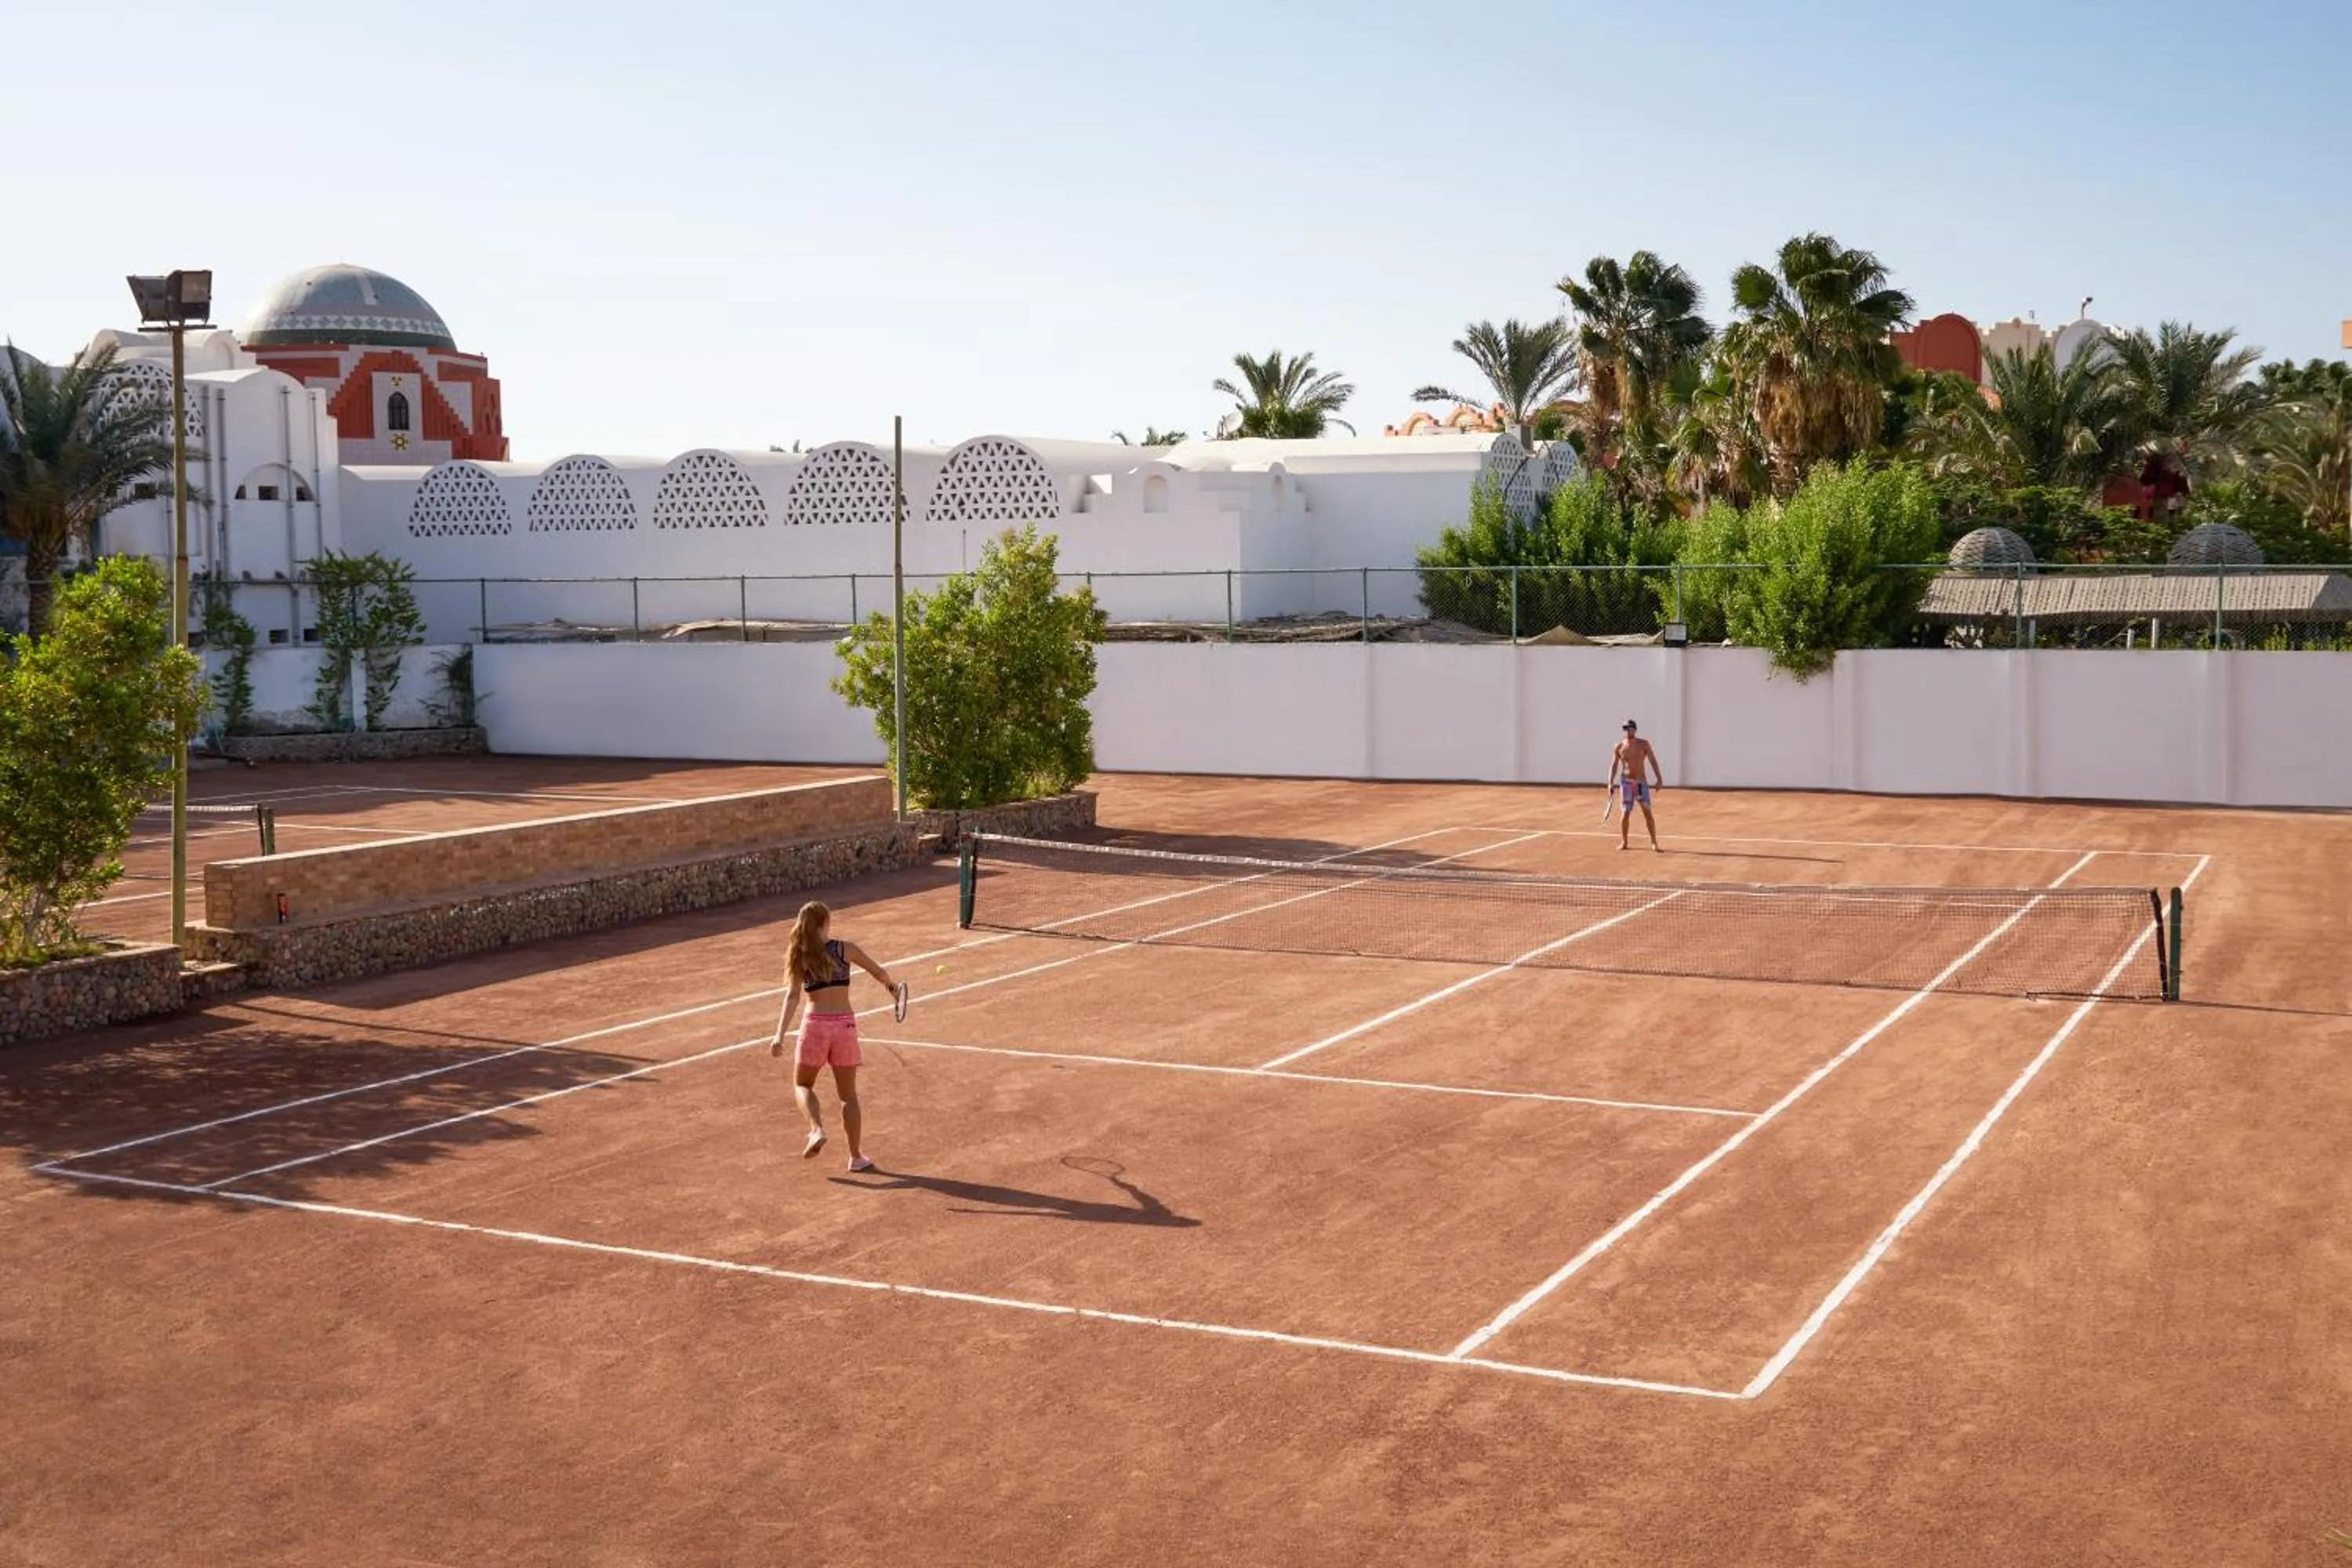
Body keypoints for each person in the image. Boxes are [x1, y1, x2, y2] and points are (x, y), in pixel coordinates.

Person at [771, 900, 898, 1171]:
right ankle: (856, 1157)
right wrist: (892, 987)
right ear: (824, 924)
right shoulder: (845, 949)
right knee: (848, 1096)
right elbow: (878, 972)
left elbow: (792, 996)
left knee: (802, 1084)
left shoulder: (800, 955)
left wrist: (779, 1035)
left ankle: (816, 1128)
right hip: (845, 1027)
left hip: (815, 1025)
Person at [1609, 719, 1664, 851]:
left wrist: (1659, 779)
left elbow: (1653, 761)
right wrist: (1610, 783)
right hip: (1626, 784)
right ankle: (1624, 842)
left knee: (1647, 812)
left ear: (1635, 729)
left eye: (1629, 728)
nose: (1627, 731)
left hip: (1641, 783)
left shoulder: (1643, 744)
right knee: (1625, 813)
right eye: (1625, 728)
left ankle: (1654, 842)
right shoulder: (1619, 746)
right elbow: (1614, 765)